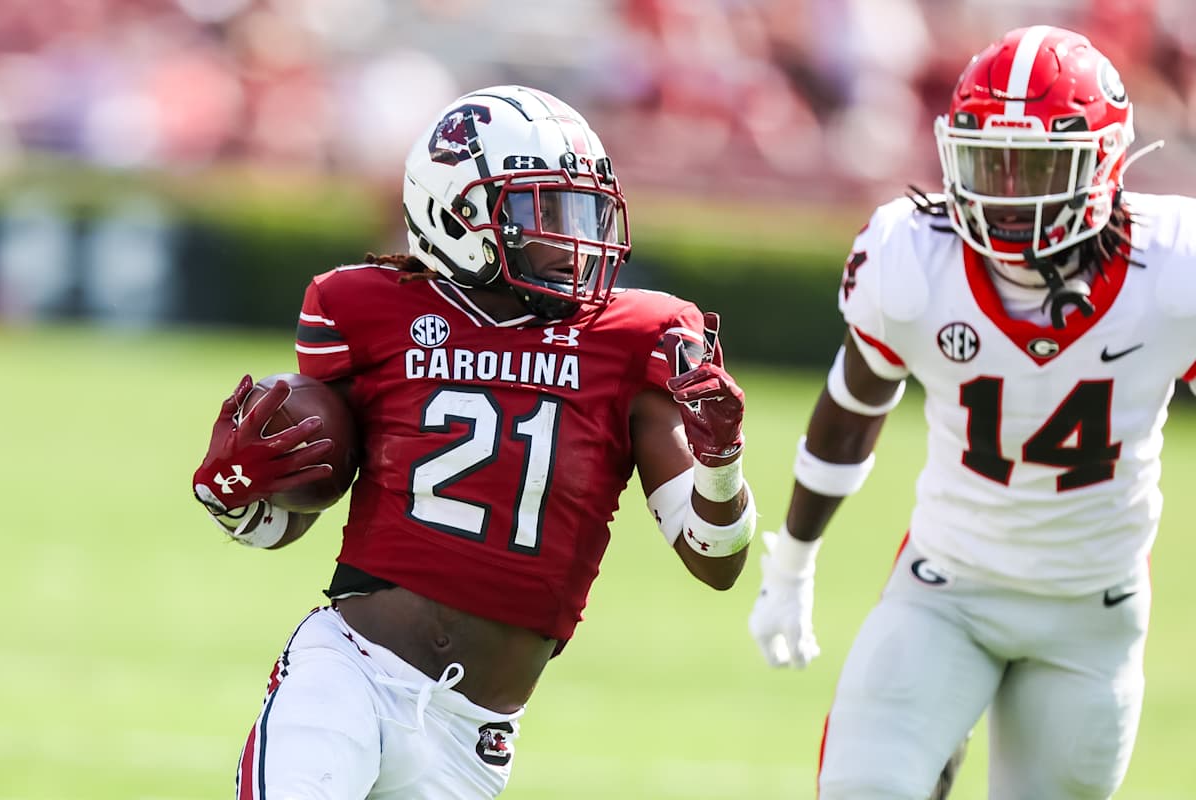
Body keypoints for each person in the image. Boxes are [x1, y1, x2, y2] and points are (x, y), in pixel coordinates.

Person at [191, 85, 756, 799]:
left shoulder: (634, 337)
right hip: (351, 673)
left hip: (474, 735)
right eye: (544, 212)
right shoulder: (366, 308)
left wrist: (721, 464)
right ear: (456, 214)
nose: (573, 240)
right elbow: (289, 517)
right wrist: (233, 495)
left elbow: (717, 561)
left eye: (581, 211)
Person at [748, 25, 1196, 799]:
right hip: (945, 591)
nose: (1009, 196)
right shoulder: (913, 257)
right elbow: (850, 410)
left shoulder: (1173, 268)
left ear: (1105, 161)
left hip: (1090, 615)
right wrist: (791, 562)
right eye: (991, 163)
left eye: (1038, 168)